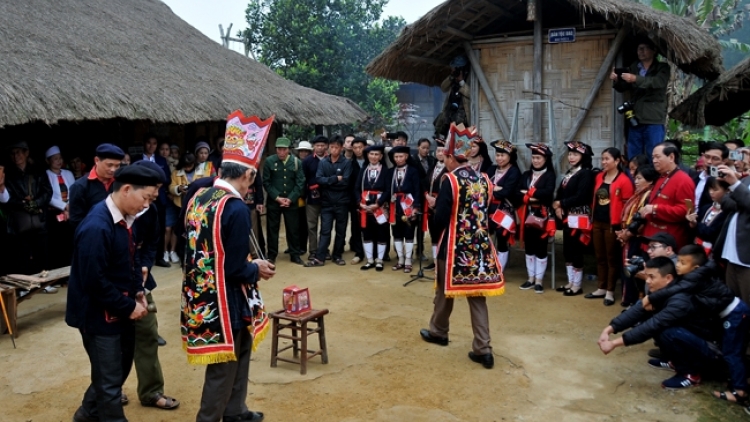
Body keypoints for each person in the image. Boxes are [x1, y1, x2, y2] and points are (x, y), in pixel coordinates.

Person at [182, 115, 275, 422]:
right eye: (253, 177)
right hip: (226, 299)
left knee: (241, 351)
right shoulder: (235, 208)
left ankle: (235, 411)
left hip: (202, 294)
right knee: (224, 366)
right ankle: (209, 419)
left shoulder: (200, 196)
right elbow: (235, 268)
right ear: (247, 175)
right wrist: (256, 268)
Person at [67, 164, 162, 422]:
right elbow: (92, 281)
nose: (146, 206)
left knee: (115, 372)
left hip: (119, 309)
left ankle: (87, 414)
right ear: (127, 189)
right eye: (146, 198)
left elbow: (131, 262)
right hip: (98, 317)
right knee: (110, 386)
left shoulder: (126, 219)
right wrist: (128, 306)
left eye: (152, 200)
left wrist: (138, 291)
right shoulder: (97, 227)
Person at [419, 123, 503, 369]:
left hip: (454, 246)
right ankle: (483, 348)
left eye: (445, 156)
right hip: (479, 248)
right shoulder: (485, 178)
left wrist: (434, 206)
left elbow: (442, 218)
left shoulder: (451, 180)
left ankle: (439, 331)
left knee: (445, 292)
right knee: (477, 298)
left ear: (450, 157)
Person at [642, 246, 749, 402]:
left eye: (683, 263)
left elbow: (678, 290)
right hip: (727, 315)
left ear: (695, 268)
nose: (677, 265)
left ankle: (739, 391)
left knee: (732, 352)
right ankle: (676, 362)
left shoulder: (695, 279)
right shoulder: (691, 277)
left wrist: (651, 298)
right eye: (678, 260)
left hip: (735, 314)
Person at [597, 256, 721, 390]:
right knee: (656, 321)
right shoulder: (660, 293)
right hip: (693, 340)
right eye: (646, 276)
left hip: (710, 351)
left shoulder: (680, 300)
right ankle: (675, 362)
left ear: (668, 278)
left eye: (652, 277)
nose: (648, 281)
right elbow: (637, 310)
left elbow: (652, 326)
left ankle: (691, 374)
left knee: (666, 331)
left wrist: (614, 343)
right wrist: (609, 330)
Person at [128, 160, 180, 411]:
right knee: (112, 341)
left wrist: (146, 263)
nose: (157, 195)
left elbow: (151, 242)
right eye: (154, 189)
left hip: (142, 281)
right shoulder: (109, 210)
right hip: (116, 283)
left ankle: (151, 391)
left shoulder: (153, 209)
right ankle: (108, 391)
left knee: (147, 333)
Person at [610, 38, 670, 159]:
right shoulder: (634, 67)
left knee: (654, 153)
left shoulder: (662, 67)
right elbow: (624, 87)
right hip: (636, 117)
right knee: (634, 153)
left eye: (644, 49)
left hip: (654, 117)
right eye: (639, 49)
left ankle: (653, 177)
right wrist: (617, 80)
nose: (640, 52)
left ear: (654, 51)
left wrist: (636, 79)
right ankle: (635, 177)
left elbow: (658, 82)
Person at [588, 147, 633, 306]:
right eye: (603, 159)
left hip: (612, 224)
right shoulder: (600, 176)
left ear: (617, 161)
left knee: (611, 258)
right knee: (599, 257)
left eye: (607, 159)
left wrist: (623, 225)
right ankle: (601, 287)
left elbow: (628, 205)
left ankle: (610, 291)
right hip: (597, 222)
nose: (604, 162)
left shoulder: (624, 180)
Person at [0, 141, 52, 276]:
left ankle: (45, 283)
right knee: (21, 254)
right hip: (19, 222)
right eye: (13, 153)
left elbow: (47, 192)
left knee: (42, 252)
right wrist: (23, 203)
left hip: (39, 219)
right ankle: (24, 285)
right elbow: (6, 199)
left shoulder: (38, 171)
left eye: (18, 152)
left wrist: (36, 202)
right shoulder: (8, 174)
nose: (16, 156)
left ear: (26, 153)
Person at [553, 142, 595, 296]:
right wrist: (558, 206)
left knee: (576, 249)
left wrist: (561, 203)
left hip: (579, 216)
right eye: (570, 154)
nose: (571, 157)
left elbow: (581, 196)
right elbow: (560, 192)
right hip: (567, 216)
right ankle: (570, 282)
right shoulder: (571, 172)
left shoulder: (586, 173)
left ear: (583, 157)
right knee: (567, 249)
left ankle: (577, 285)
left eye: (575, 154)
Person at [639, 142, 695, 250]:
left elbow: (685, 211)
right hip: (651, 237)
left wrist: (655, 209)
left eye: (658, 157)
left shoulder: (683, 180)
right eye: (653, 157)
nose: (654, 161)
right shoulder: (661, 177)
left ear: (671, 157)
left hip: (667, 242)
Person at [616, 166, 659, 305]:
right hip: (629, 234)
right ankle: (629, 299)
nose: (635, 181)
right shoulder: (639, 194)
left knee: (632, 267)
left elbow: (641, 219)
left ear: (650, 181)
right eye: (635, 178)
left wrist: (628, 233)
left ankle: (632, 301)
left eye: (639, 178)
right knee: (626, 266)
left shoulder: (649, 196)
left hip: (637, 237)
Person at [306, 135, 351, 267]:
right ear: (329, 147)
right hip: (326, 202)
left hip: (342, 202)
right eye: (332, 147)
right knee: (325, 230)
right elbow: (319, 180)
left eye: (337, 147)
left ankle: (337, 255)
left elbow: (346, 183)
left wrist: (328, 182)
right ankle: (320, 257)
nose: (334, 150)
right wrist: (335, 179)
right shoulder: (323, 162)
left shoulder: (346, 163)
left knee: (340, 230)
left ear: (341, 148)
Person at [518, 143, 557, 293]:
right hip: (528, 216)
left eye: (539, 158)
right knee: (529, 247)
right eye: (534, 157)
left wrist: (528, 194)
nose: (535, 160)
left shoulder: (549, 175)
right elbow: (516, 193)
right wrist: (534, 195)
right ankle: (530, 278)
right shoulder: (526, 175)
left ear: (545, 159)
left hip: (543, 216)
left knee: (541, 248)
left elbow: (547, 194)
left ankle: (539, 281)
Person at [262, 137, 305, 265]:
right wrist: (277, 198)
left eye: (284, 149)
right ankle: (272, 255)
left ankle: (295, 254)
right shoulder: (270, 161)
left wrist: (291, 199)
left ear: (289, 150)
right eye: (279, 149)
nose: (281, 152)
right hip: (274, 201)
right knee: (272, 229)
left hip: (291, 202)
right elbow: (267, 182)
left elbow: (300, 182)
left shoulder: (296, 162)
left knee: (293, 229)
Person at [714, 162, 750, 306]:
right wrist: (743, 201)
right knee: (733, 304)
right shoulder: (746, 180)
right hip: (732, 255)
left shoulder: (739, 182)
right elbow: (726, 201)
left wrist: (735, 184)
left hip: (747, 258)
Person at [69, 143, 124, 230]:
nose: (113, 169)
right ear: (97, 160)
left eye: (117, 166)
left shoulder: (121, 183)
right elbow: (76, 221)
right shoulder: (80, 187)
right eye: (109, 165)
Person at [486, 140, 521, 273]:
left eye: (502, 155)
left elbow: (507, 192)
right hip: (489, 208)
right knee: (484, 235)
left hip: (505, 210)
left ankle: (499, 269)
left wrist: (492, 188)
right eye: (498, 155)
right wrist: (497, 188)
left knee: (502, 237)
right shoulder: (491, 169)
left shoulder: (514, 172)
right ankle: (487, 264)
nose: (499, 158)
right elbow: (483, 186)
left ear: (510, 157)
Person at [387, 145, 421, 273]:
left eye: (401, 156)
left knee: (409, 232)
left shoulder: (413, 171)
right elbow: (387, 189)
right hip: (394, 205)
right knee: (396, 233)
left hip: (409, 204)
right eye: (396, 157)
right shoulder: (390, 172)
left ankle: (408, 259)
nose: (398, 159)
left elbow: (417, 190)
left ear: (406, 156)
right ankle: (400, 259)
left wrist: (416, 207)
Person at [355, 145, 390, 271]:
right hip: (364, 206)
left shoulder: (385, 171)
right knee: (367, 233)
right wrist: (359, 202)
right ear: (367, 155)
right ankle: (369, 260)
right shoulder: (363, 170)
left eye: (377, 154)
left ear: (381, 156)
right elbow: (357, 188)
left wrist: (378, 204)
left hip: (380, 207)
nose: (374, 157)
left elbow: (387, 190)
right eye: (371, 154)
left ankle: (379, 260)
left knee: (381, 232)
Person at [44, 146, 76, 270]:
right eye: (55, 159)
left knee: (71, 242)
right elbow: (48, 196)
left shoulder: (68, 173)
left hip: (70, 212)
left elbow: (74, 191)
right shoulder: (46, 175)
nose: (58, 161)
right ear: (48, 161)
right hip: (54, 213)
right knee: (58, 244)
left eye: (60, 158)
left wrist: (70, 207)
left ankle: (71, 271)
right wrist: (64, 206)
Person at [687, 177, 730, 257]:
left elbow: (711, 234)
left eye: (715, 190)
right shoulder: (706, 207)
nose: (711, 192)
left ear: (727, 191)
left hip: (713, 253)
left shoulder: (727, 213)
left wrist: (696, 225)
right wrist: (692, 222)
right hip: (697, 247)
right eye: (710, 189)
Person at [302, 135, 328, 260]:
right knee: (311, 225)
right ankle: (313, 250)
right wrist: (304, 196)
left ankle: (324, 249)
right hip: (312, 198)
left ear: (326, 146)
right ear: (314, 147)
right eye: (317, 145)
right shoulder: (307, 161)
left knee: (325, 226)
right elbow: (303, 180)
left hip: (328, 198)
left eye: (322, 145)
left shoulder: (331, 160)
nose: (320, 148)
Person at [424, 136, 448, 271]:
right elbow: (424, 184)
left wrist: (437, 201)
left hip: (442, 206)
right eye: (438, 151)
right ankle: (435, 261)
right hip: (430, 206)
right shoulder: (432, 167)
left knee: (442, 234)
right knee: (433, 234)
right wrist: (427, 196)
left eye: (443, 151)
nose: (440, 154)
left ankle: (443, 261)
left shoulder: (450, 170)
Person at [434, 55, 471, 137]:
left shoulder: (470, 78)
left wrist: (461, 81)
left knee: (460, 143)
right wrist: (451, 77)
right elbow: (443, 88)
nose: (453, 69)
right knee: (448, 142)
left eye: (455, 68)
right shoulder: (452, 78)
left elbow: (470, 94)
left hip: (462, 120)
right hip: (449, 118)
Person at [348, 137, 367, 264]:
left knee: (373, 227)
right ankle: (359, 252)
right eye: (355, 148)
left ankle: (378, 253)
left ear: (365, 147)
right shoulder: (349, 163)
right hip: (355, 200)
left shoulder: (372, 161)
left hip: (372, 200)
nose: (358, 150)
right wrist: (356, 200)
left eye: (360, 147)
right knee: (356, 227)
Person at [693, 141, 728, 211]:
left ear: (724, 161)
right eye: (707, 157)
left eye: (715, 158)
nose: (709, 161)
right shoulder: (693, 177)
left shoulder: (725, 181)